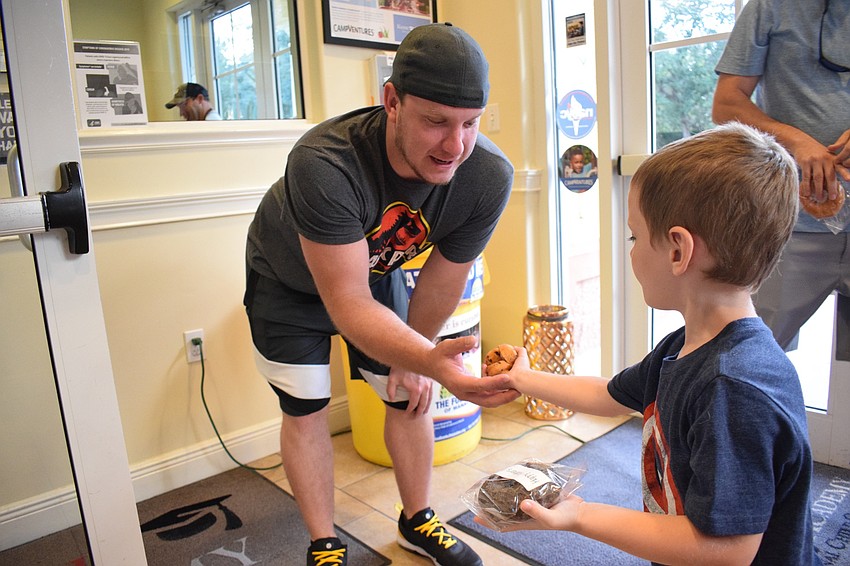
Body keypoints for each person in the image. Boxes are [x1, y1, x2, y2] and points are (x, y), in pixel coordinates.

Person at [244, 23, 519, 566]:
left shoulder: (487, 175)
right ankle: (325, 542)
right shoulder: (324, 162)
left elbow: (445, 274)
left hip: (372, 275)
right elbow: (344, 303)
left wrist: (420, 355)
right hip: (287, 284)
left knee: (408, 393)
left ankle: (418, 520)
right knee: (306, 408)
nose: (455, 146)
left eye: (470, 123)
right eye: (436, 121)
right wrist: (426, 359)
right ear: (391, 101)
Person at [486, 123, 820, 565]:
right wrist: (524, 378)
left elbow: (724, 550)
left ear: (679, 251)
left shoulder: (733, 388)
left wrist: (580, 517)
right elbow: (607, 394)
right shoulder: (685, 345)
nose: (631, 252)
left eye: (635, 236)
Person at [712, 0, 850, 354]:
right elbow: (726, 104)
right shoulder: (770, 6)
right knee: (748, 355)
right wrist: (797, 141)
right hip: (788, 226)